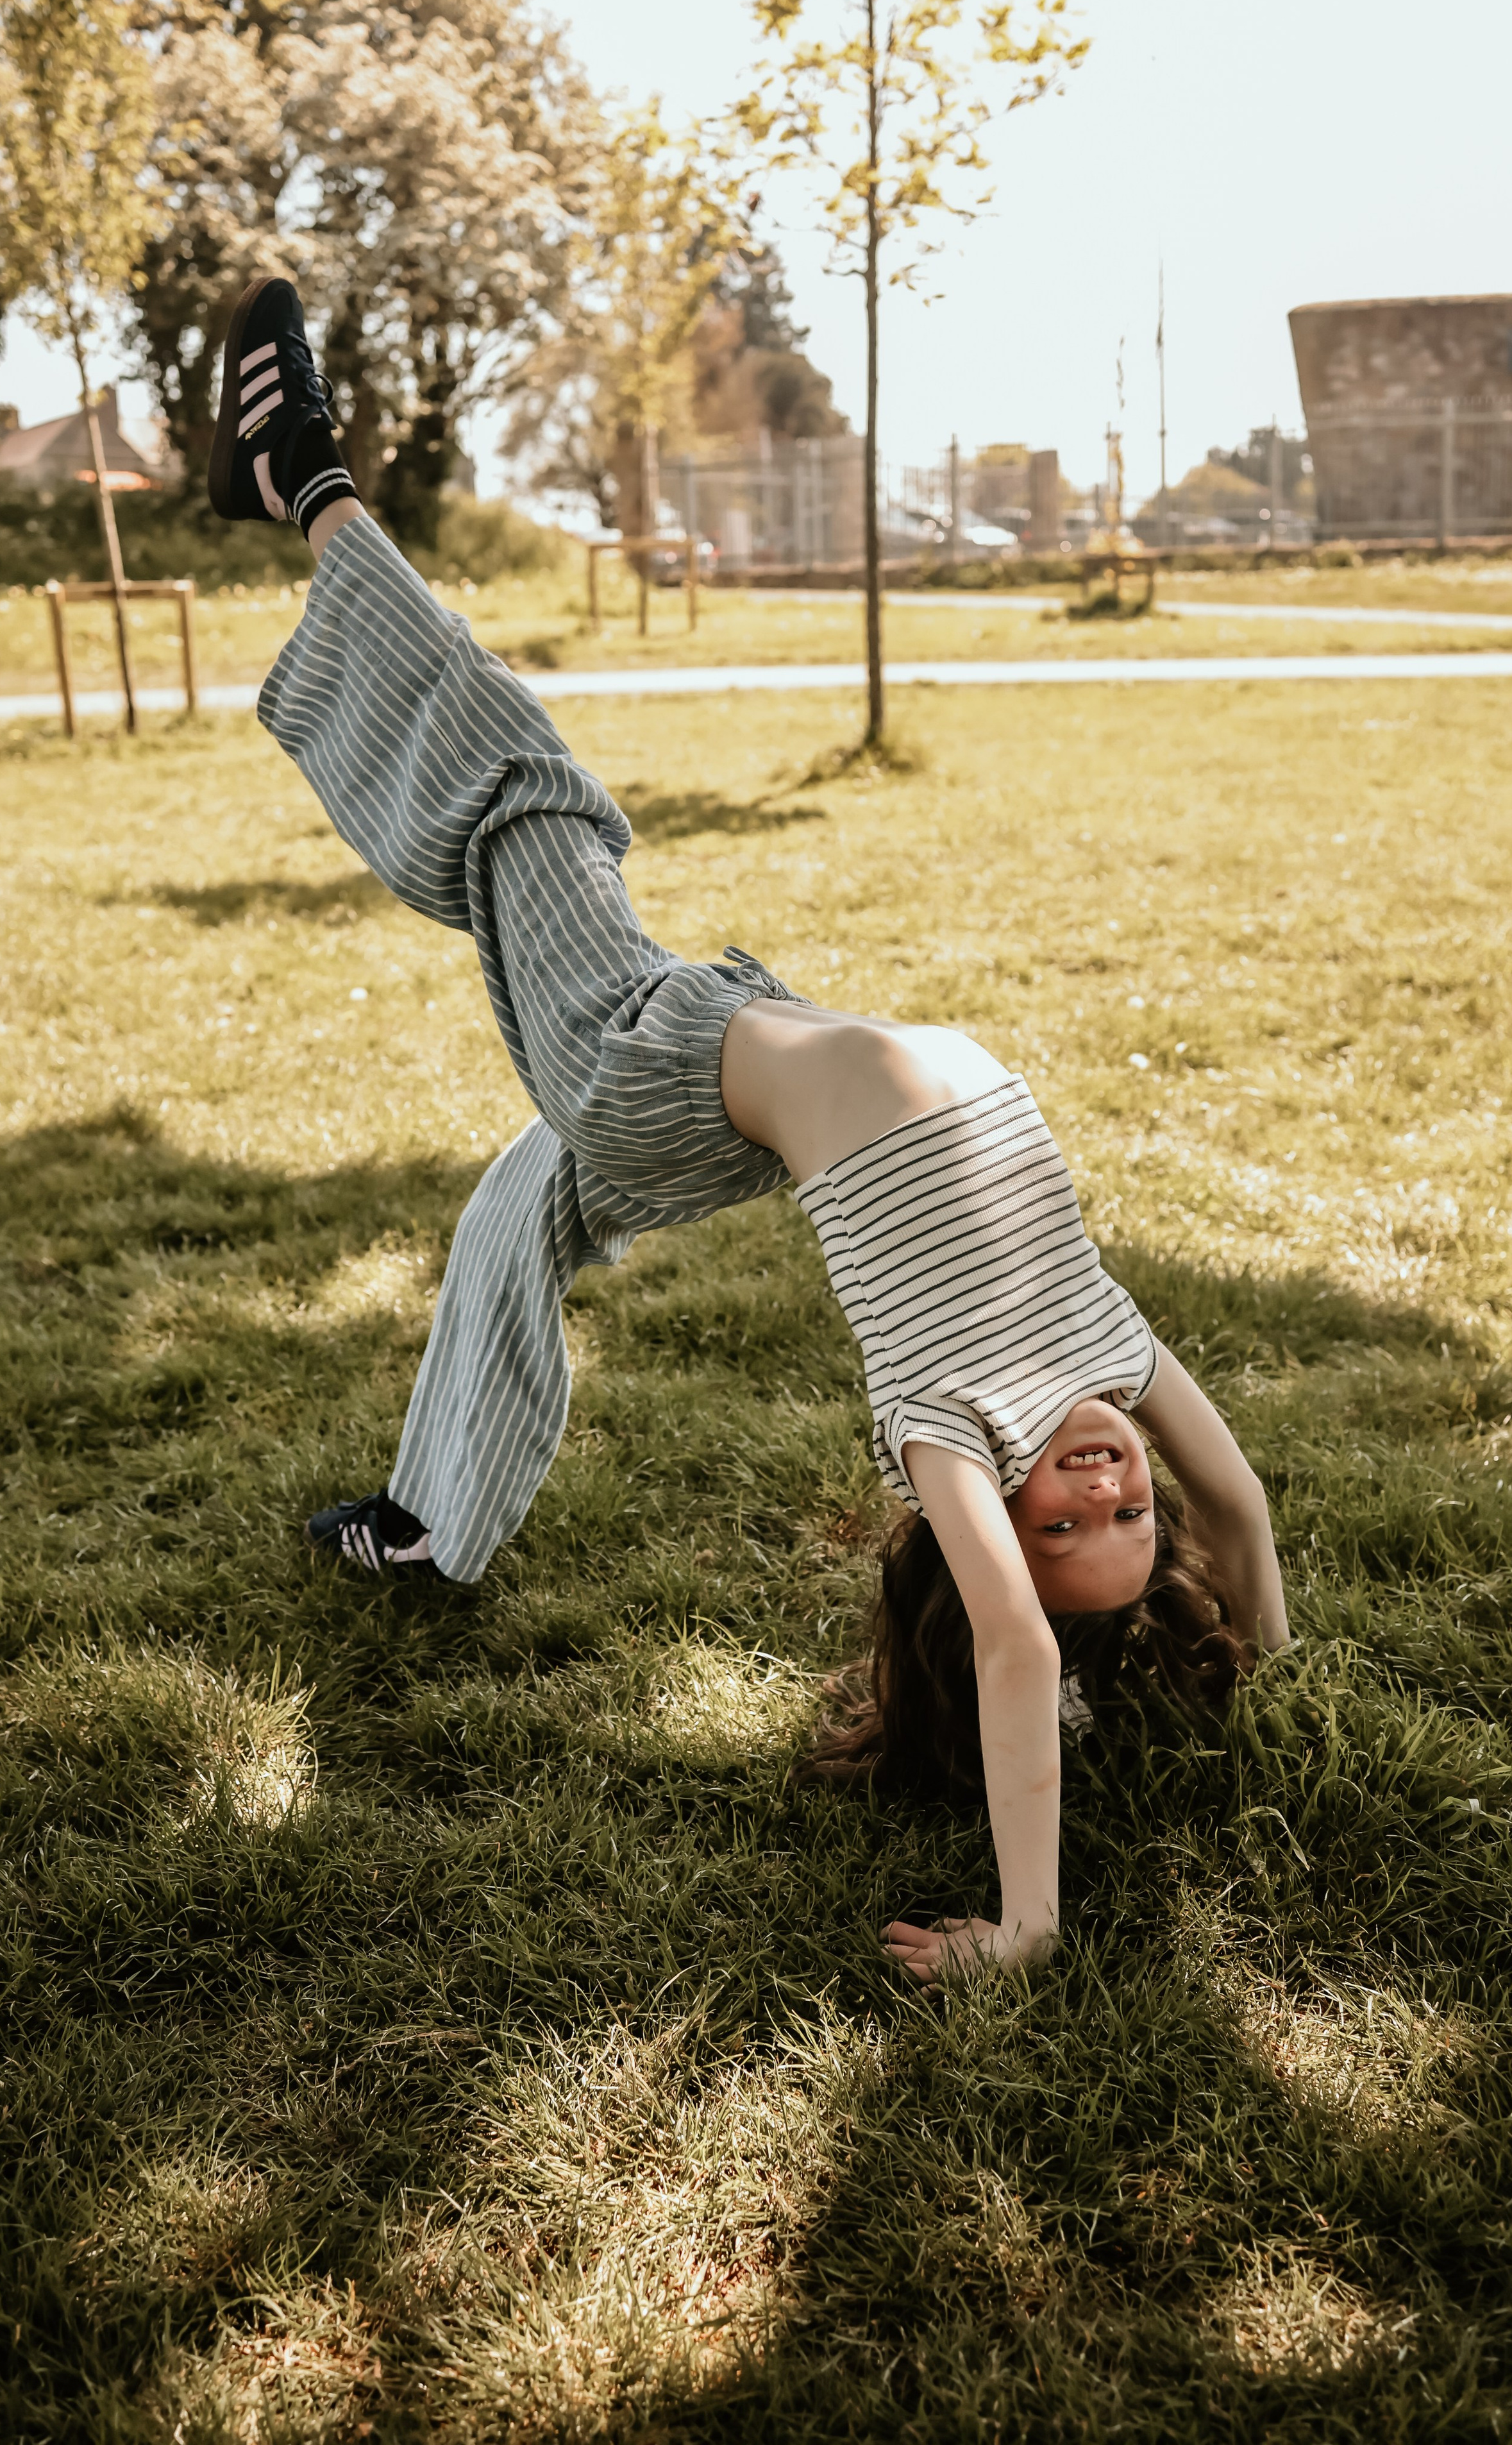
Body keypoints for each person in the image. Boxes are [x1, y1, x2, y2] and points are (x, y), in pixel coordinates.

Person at [210, 278, 1291, 1984]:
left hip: (653, 1068)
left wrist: (1027, 1924)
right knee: (528, 1204)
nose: (1101, 1495)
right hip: (730, 1070)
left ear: (997, 1522)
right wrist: (1263, 1679)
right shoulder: (1107, 1352)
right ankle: (430, 1512)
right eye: (1127, 1522)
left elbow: (1016, 1651)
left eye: (1058, 1530)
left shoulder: (950, 1425)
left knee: (523, 788)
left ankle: (303, 486)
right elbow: (1244, 1504)